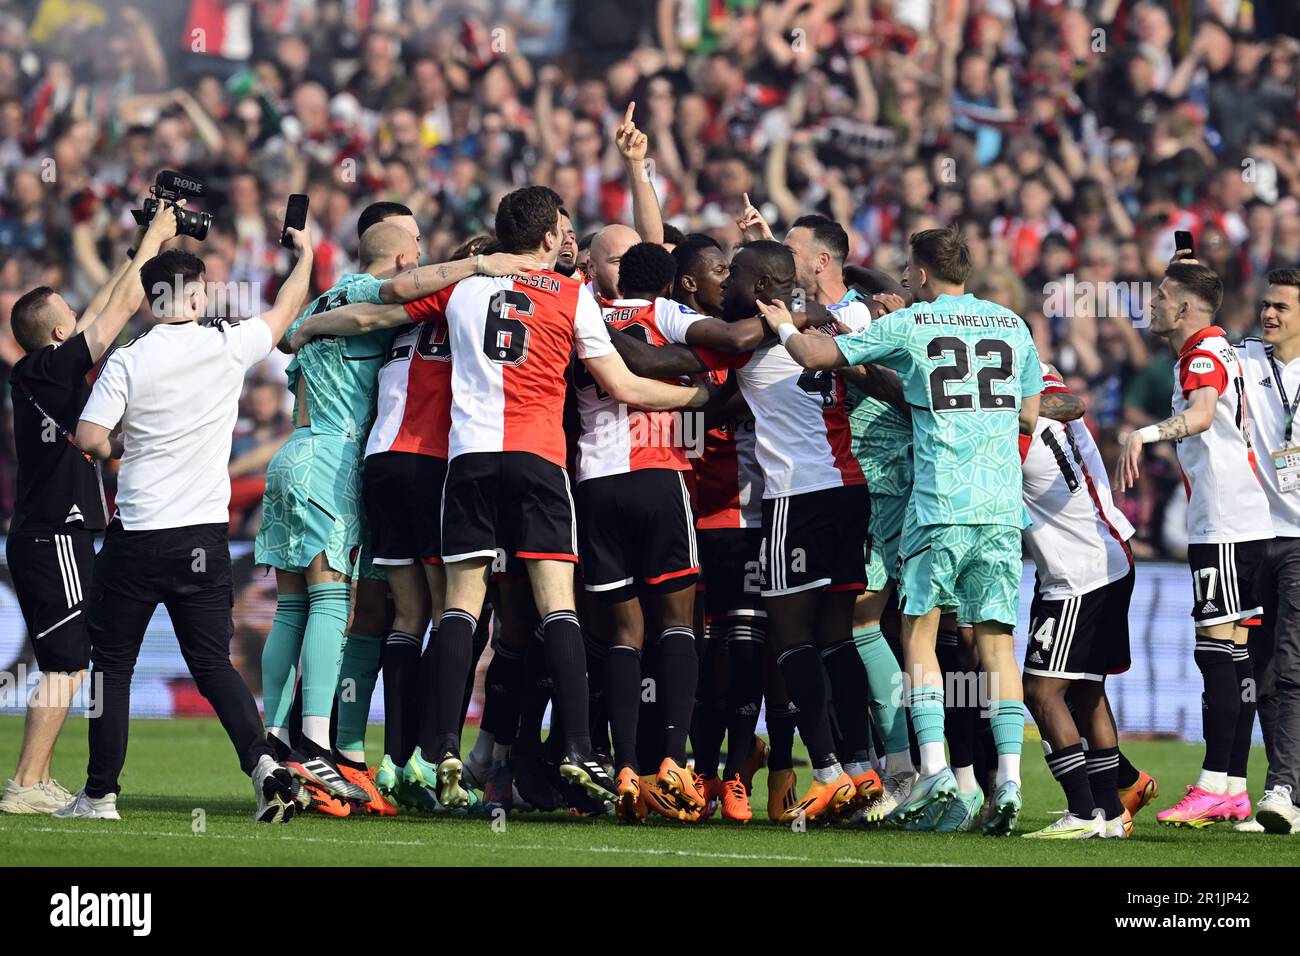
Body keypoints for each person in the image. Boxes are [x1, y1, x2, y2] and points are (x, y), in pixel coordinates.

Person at [771, 225, 1043, 836]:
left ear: (920, 273)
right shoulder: (1011, 325)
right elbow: (1029, 412)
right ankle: (1009, 784)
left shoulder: (915, 324)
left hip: (939, 502)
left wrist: (781, 321)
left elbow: (815, 357)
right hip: (1001, 507)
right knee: (995, 644)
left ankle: (936, 773)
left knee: (916, 635)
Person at [56, 223, 318, 823]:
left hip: (137, 535)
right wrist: (302, 255)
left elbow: (90, 438)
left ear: (152, 301)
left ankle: (99, 796)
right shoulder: (225, 345)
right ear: (197, 296)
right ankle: (263, 764)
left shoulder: (129, 358)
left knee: (113, 667)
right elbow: (283, 313)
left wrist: (126, 443)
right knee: (210, 665)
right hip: (203, 537)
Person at [0, 207, 177, 815]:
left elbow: (105, 306)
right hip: (55, 536)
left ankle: (37, 779)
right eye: (69, 320)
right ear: (55, 336)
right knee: (69, 665)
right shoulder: (49, 370)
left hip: (46, 534)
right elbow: (117, 314)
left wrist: (137, 246)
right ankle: (25, 783)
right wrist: (156, 239)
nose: (80, 321)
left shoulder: (43, 371)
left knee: (64, 662)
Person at [255, 220, 423, 816]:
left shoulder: (321, 302)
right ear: (404, 255)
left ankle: (272, 740)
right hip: (334, 458)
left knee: (291, 606)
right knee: (330, 601)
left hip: (291, 453)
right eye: (419, 247)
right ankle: (318, 743)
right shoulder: (378, 299)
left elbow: (292, 358)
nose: (423, 257)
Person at [1114, 261, 1275, 828]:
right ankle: (1232, 786)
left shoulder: (1202, 355)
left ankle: (1212, 783)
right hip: (1249, 518)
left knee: (1215, 651)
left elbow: (1203, 416)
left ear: (1184, 308)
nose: (1151, 305)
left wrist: (1146, 432)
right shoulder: (1225, 350)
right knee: (1236, 653)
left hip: (1226, 522)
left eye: (1160, 297)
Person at [1020, 364, 1139, 839]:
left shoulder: (1015, 431)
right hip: (1114, 554)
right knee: (1088, 693)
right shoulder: (1043, 381)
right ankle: (1109, 815)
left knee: (1042, 691)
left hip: (1076, 572)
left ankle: (1082, 812)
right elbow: (1071, 403)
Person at [1232, 267, 1300, 835]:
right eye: (1266, 304)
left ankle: (1283, 787)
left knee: (1292, 663)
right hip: (1255, 535)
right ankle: (1284, 789)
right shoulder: (1244, 359)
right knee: (1262, 670)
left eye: (1281, 306)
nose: (1269, 314)